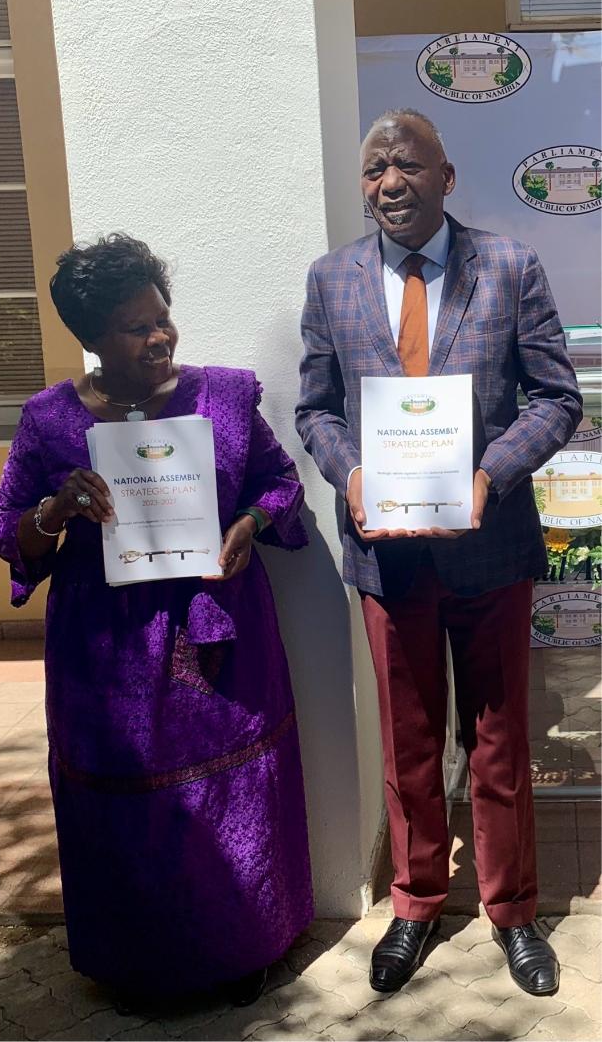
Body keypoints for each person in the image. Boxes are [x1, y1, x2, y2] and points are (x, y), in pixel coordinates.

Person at [296, 109, 582, 997]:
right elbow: (316, 408)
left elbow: (555, 398)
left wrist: (491, 474)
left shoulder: (510, 266)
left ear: (447, 177)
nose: (390, 182)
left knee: (497, 741)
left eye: (409, 165)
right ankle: (416, 902)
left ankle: (513, 910)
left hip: (489, 551)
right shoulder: (331, 278)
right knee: (408, 742)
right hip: (387, 560)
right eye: (375, 167)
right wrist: (349, 475)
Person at [0, 233, 313, 1006]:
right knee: (124, 806)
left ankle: (243, 950)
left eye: (163, 317)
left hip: (217, 631)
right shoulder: (49, 420)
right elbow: (7, 529)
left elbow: (280, 484)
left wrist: (250, 526)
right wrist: (56, 508)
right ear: (92, 337)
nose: (161, 336)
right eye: (137, 327)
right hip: (105, 649)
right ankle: (139, 966)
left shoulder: (224, 397)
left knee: (231, 794)